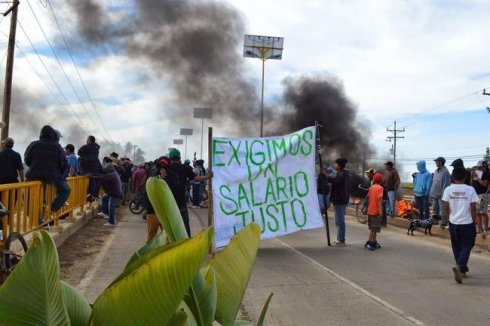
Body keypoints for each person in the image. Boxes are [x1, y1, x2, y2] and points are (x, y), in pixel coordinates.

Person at [442, 167, 479, 284]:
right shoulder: (470, 189)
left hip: (453, 222)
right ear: (465, 177)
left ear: (452, 177)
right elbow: (473, 208)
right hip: (467, 223)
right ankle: (460, 266)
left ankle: (462, 269)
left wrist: (449, 220)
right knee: (467, 245)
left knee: (456, 246)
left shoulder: (448, 190)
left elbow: (446, 207)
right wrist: (475, 222)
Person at [24, 125, 70, 215]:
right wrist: (59, 174)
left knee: (27, 197)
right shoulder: (57, 147)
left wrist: (35, 166)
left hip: (34, 175)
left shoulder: (33, 144)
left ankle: (37, 219)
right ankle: (53, 208)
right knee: (66, 190)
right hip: (52, 176)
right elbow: (64, 164)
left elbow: (27, 160)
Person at [167, 149, 209, 237]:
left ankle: (171, 243)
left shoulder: (166, 168)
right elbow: (197, 178)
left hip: (169, 201)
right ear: (179, 158)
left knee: (169, 226)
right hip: (181, 201)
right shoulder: (185, 168)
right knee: (185, 224)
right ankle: (187, 241)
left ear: (170, 158)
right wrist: (208, 176)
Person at [89, 157, 122, 226]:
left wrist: (92, 177)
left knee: (111, 207)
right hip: (113, 192)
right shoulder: (113, 173)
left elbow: (102, 178)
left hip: (114, 193)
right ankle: (105, 213)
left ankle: (111, 222)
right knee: (104, 198)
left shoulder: (111, 175)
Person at [326, 158, 350, 247]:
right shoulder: (342, 173)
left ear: (339, 165)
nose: (334, 165)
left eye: (335, 164)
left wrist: (327, 176)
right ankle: (339, 238)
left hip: (340, 200)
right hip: (339, 200)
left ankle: (341, 240)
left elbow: (336, 182)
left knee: (340, 221)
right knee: (338, 221)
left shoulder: (342, 174)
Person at [78, 135, 103, 200]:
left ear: (89, 140)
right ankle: (90, 196)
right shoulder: (96, 148)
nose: (86, 141)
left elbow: (79, 152)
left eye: (87, 139)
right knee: (92, 182)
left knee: (84, 183)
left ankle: (84, 197)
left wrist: (83, 157)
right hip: (94, 169)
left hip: (86, 168)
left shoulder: (86, 147)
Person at [429, 157, 451, 227]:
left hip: (441, 195)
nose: (435, 163)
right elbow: (434, 182)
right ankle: (435, 221)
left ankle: (444, 222)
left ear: (440, 162)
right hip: (434, 193)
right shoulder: (436, 171)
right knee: (435, 209)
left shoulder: (445, 172)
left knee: (442, 209)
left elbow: (446, 184)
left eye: (436, 162)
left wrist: (443, 194)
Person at [365, 173, 384, 250]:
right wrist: (381, 211)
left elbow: (369, 198)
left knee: (374, 228)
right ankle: (369, 243)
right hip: (376, 211)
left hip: (370, 210)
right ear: (381, 180)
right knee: (374, 229)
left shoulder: (371, 187)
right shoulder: (380, 188)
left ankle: (374, 241)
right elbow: (379, 201)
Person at [471, 160, 489, 235]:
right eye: (477, 167)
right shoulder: (476, 174)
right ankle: (479, 228)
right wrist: (472, 177)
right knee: (478, 213)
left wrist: (477, 178)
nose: (478, 168)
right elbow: (472, 183)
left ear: (484, 166)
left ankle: (485, 230)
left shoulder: (487, 174)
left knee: (483, 213)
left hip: (483, 194)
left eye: (480, 167)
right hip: (476, 195)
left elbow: (485, 184)